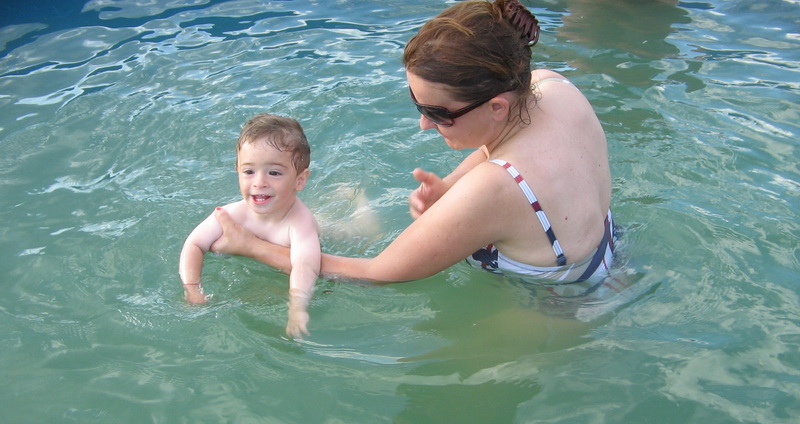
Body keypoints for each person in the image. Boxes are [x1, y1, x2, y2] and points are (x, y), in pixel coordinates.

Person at [209, 0, 614, 289]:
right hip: (607, 254)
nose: (423, 123)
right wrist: (452, 185)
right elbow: (511, 147)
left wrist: (253, 246)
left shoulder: (494, 189)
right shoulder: (550, 85)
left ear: (496, 106)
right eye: (418, 105)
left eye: (438, 112)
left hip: (555, 305)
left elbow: (378, 272)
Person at [179, 114, 320, 338]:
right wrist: (192, 288)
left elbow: (305, 265)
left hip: (319, 237)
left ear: (299, 180)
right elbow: (193, 244)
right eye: (249, 171)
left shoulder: (300, 222)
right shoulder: (232, 214)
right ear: (237, 170)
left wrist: (297, 308)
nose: (259, 182)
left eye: (274, 173)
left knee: (345, 232)